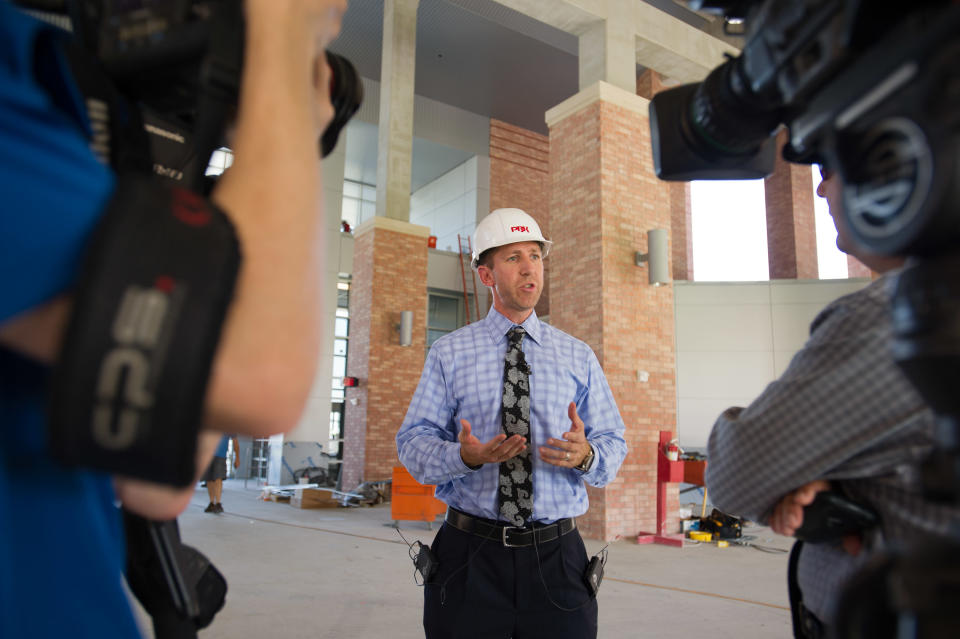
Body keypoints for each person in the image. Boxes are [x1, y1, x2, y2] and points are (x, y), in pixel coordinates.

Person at [0, 1, 346, 637]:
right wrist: (281, 40)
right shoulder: (14, 73)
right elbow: (258, 371)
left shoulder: (51, 78)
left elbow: (154, 484)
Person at [704, 166, 960, 636]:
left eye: (829, 167)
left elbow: (737, 471)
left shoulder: (894, 314)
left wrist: (818, 475)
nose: (820, 187)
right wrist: (835, 477)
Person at [396, 208, 628, 639]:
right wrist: (462, 456)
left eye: (535, 257)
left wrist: (587, 454)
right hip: (469, 559)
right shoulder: (449, 354)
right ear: (486, 276)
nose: (529, 268)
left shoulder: (577, 356)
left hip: (558, 561)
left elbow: (613, 443)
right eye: (513, 257)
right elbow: (412, 442)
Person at [203, 434, 241, 513]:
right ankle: (211, 503)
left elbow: (235, 442)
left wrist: (237, 457)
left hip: (220, 456)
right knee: (209, 479)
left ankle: (218, 503)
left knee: (218, 478)